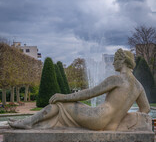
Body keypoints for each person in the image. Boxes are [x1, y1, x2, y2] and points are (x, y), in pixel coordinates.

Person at [8, 48, 150, 130]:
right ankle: (32, 123)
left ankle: (28, 122)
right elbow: (145, 110)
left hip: (97, 117)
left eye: (115, 60)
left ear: (122, 61)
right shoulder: (138, 86)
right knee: (62, 109)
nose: (113, 63)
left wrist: (64, 96)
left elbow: (88, 93)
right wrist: (122, 119)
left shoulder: (117, 79)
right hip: (111, 125)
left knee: (60, 104)